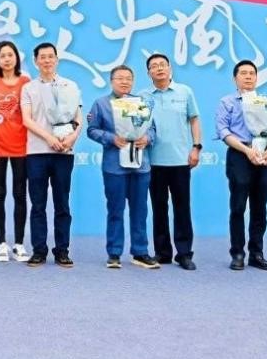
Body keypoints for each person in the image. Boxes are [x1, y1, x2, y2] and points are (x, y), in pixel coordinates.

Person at [86, 66, 158, 270]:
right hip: (114, 166)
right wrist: (111, 138)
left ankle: (140, 252)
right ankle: (114, 253)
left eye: (128, 78)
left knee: (140, 210)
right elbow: (92, 130)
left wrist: (147, 138)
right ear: (111, 81)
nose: (124, 82)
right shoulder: (101, 104)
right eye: (120, 78)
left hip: (140, 166)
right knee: (115, 210)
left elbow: (152, 128)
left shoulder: (141, 103)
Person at [21, 42, 82, 268]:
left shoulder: (70, 85)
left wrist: (72, 137)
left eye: (51, 56)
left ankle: (62, 250)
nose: (47, 60)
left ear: (57, 59)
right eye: (42, 57)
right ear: (36, 61)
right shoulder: (28, 88)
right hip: (37, 151)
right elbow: (27, 120)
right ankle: (39, 250)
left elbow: (78, 117)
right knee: (37, 204)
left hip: (64, 152)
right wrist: (49, 138)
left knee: (62, 203)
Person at [217, 60, 267, 271]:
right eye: (243, 73)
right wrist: (247, 150)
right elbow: (223, 131)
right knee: (238, 207)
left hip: (265, 155)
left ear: (256, 77)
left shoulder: (266, 102)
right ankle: (237, 253)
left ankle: (256, 253)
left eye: (252, 73)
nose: (248, 77)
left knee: (260, 207)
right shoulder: (227, 102)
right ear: (235, 78)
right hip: (239, 155)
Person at [141, 53, 201, 270]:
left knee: (182, 208)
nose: (159, 68)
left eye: (162, 65)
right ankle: (163, 252)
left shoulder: (185, 92)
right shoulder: (143, 96)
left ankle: (184, 253)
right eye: (154, 66)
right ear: (148, 72)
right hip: (153, 161)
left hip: (180, 160)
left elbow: (194, 120)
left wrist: (196, 146)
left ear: (170, 69)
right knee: (159, 208)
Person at [0, 41, 31, 263]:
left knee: (20, 194)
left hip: (22, 147)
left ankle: (19, 244)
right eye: (2, 56)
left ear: (16, 58)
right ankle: (1, 244)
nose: (7, 59)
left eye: (10, 55)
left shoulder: (26, 82)